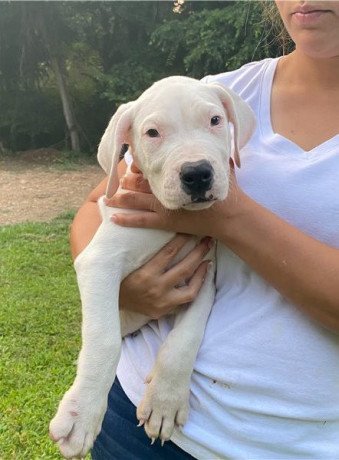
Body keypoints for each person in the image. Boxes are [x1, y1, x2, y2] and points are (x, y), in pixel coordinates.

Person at [70, 1, 339, 458]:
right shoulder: (213, 94)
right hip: (138, 421)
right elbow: (101, 206)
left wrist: (229, 217)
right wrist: (124, 291)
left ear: (228, 127)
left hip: (305, 443)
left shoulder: (219, 109)